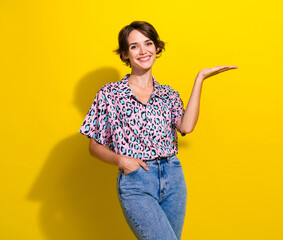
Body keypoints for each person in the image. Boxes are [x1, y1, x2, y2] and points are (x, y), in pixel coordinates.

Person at [79, 21, 237, 240]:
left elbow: (186, 126)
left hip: (173, 178)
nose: (143, 51)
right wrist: (122, 161)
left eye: (148, 43)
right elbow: (93, 146)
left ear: (156, 48)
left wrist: (200, 78)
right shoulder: (110, 94)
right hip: (137, 181)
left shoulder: (168, 94)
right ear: (125, 54)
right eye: (134, 46)